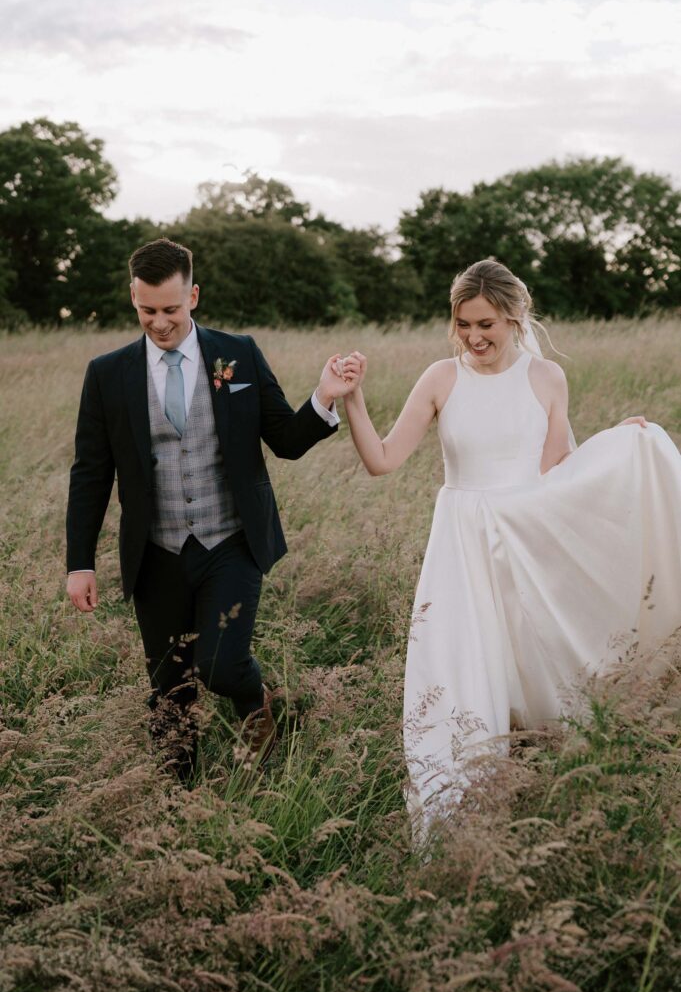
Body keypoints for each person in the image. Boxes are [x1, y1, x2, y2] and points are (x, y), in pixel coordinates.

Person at [341, 258, 681, 844]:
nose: (474, 337)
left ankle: (544, 786)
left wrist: (621, 443)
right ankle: (456, 809)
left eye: (488, 325)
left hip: (525, 539)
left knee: (533, 663)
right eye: (464, 324)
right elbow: (382, 461)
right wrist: (353, 400)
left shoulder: (546, 378)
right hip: (460, 542)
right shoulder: (441, 379)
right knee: (458, 667)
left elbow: (557, 470)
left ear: (516, 317)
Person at [66, 237, 360, 780]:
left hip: (230, 541)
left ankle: (261, 703)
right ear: (134, 299)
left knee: (220, 665)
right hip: (156, 552)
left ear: (193, 295)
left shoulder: (237, 353)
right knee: (170, 687)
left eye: (170, 309)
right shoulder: (108, 374)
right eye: (146, 310)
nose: (158, 322)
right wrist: (79, 562)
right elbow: (90, 473)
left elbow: (286, 441)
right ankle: (180, 801)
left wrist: (323, 398)